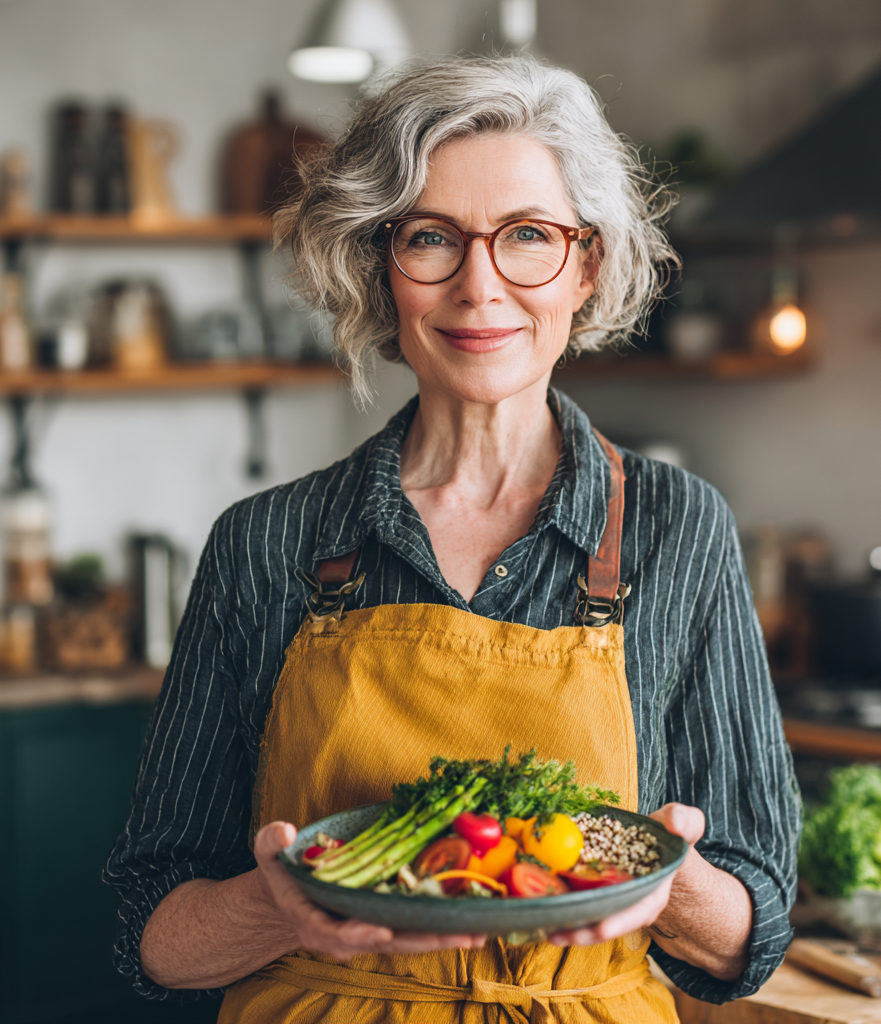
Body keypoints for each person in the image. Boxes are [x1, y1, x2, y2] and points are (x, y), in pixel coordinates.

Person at [105, 54, 800, 1024]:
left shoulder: (677, 529)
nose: (480, 287)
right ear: (379, 268)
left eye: (526, 236)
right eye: (431, 237)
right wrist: (278, 909)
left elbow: (755, 930)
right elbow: (155, 933)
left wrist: (669, 887)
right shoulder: (262, 543)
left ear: (586, 264)